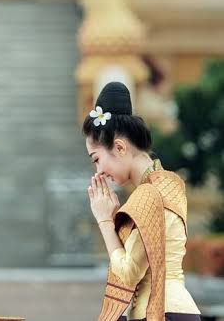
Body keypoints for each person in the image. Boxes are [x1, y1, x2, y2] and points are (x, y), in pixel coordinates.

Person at [84, 82, 201, 321]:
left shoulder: (148, 195)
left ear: (119, 147)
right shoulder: (170, 184)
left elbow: (128, 272)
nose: (98, 171)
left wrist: (105, 220)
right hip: (177, 309)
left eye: (96, 159)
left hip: (159, 312)